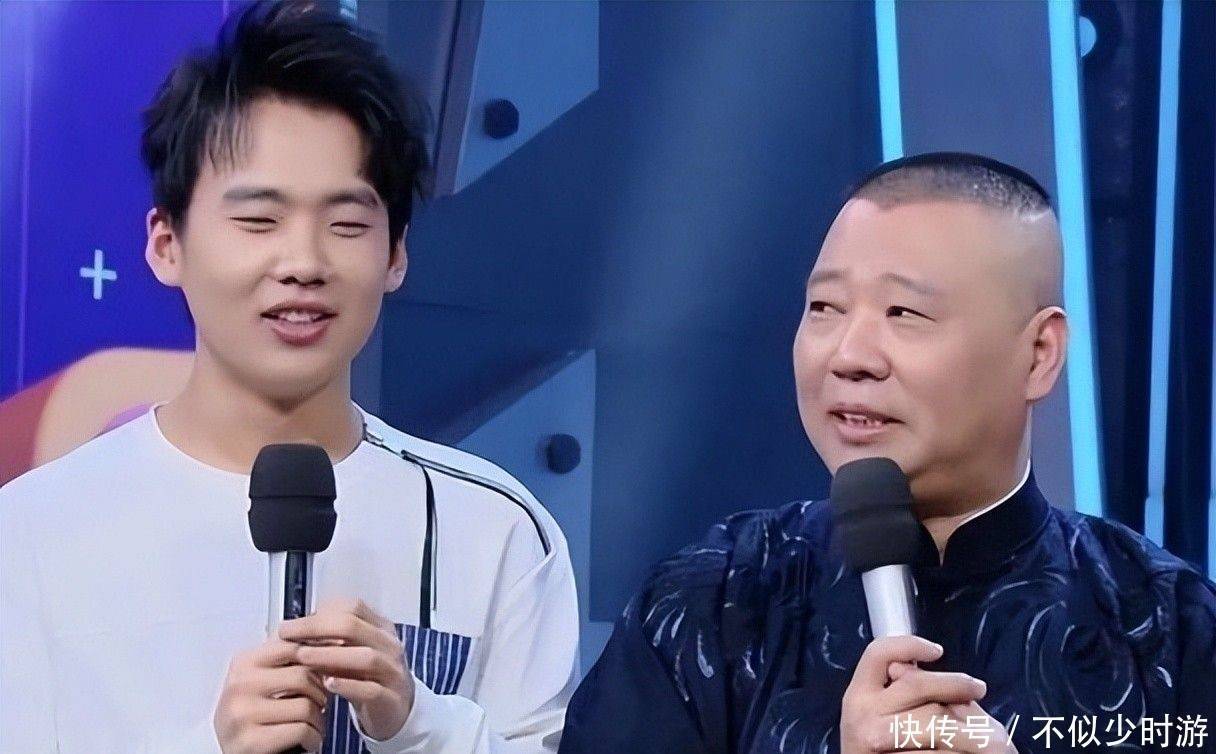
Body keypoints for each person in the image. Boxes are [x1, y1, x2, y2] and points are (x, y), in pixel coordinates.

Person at [0, 3, 578, 752]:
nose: (303, 263)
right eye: (258, 221)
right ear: (167, 244)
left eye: (346, 224)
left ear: (396, 255)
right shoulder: (34, 534)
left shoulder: (496, 531)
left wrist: (417, 724)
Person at [559, 152, 1216, 754]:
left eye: (903, 313)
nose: (849, 356)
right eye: (824, 307)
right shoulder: (711, 605)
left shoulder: (1169, 631)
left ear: (1039, 354)